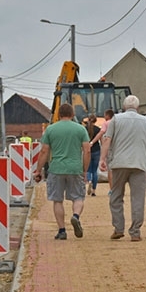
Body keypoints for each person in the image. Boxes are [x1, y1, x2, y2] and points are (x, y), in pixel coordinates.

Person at [99, 95, 146, 242]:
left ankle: (119, 228)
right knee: (137, 198)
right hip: (140, 164)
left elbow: (107, 139)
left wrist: (102, 159)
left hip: (119, 163)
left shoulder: (116, 120)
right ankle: (135, 231)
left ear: (124, 106)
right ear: (137, 107)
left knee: (116, 196)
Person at [32, 103, 91, 240]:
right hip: (75, 168)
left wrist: (38, 170)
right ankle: (75, 216)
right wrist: (84, 170)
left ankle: (62, 230)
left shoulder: (51, 130)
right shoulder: (80, 129)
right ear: (72, 114)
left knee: (57, 200)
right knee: (78, 197)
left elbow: (44, 151)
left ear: (59, 115)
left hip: (56, 168)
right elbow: (87, 150)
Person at [91, 109, 115, 192]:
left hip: (109, 148)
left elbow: (101, 134)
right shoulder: (117, 122)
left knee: (110, 170)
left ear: (108, 116)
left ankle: (112, 189)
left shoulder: (106, 123)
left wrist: (92, 142)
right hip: (119, 148)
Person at [84, 113, 101, 196]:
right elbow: (102, 140)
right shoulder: (98, 129)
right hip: (96, 150)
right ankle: (94, 190)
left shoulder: (84, 129)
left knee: (88, 169)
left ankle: (89, 180)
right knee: (95, 171)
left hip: (87, 150)